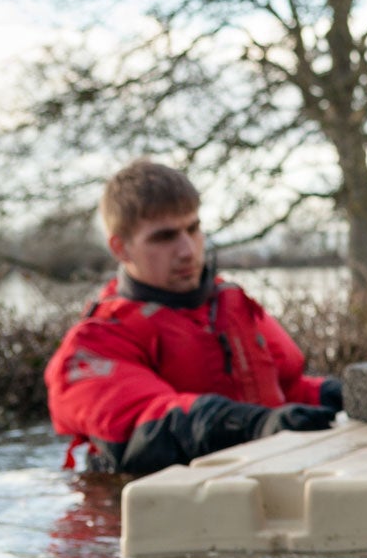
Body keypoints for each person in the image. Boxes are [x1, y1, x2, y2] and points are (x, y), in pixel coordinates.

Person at [45, 160, 340, 475]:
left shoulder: (229, 305)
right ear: (121, 248)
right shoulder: (96, 343)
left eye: (193, 228)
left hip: (253, 485)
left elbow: (284, 395)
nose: (187, 250)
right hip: (149, 508)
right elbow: (147, 426)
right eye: (164, 237)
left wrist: (339, 395)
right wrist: (255, 424)